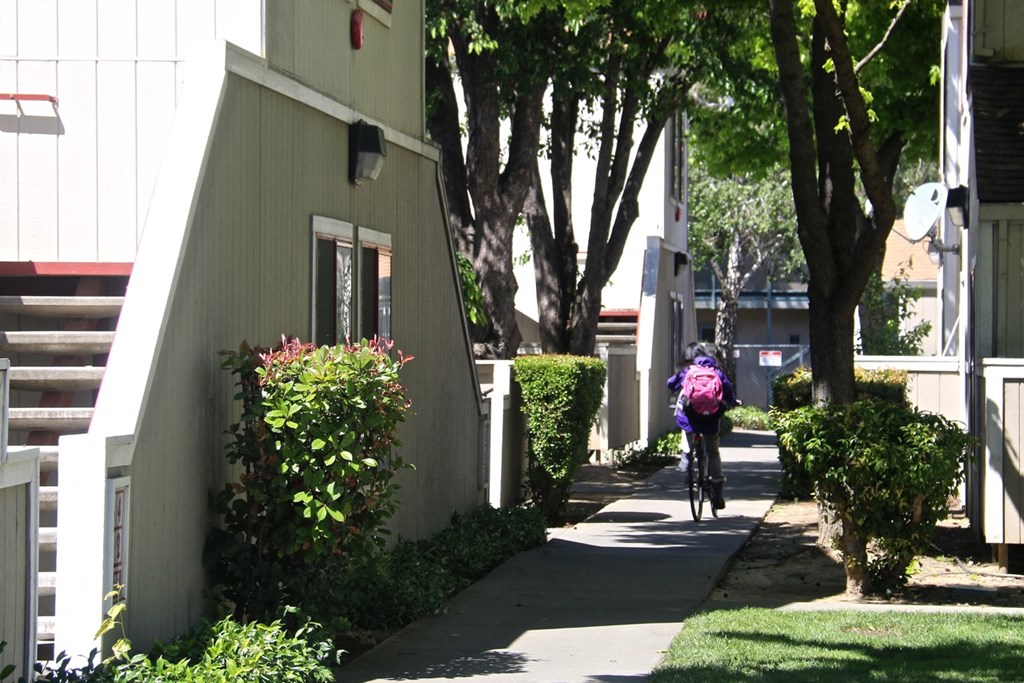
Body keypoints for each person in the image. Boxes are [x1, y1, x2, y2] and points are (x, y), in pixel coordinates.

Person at [666, 342, 738, 509]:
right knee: (713, 452)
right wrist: (733, 402)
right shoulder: (717, 372)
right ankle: (718, 491)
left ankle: (687, 456)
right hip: (710, 417)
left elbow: (670, 383)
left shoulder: (688, 371)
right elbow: (728, 391)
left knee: (686, 424)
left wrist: (679, 387)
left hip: (691, 416)